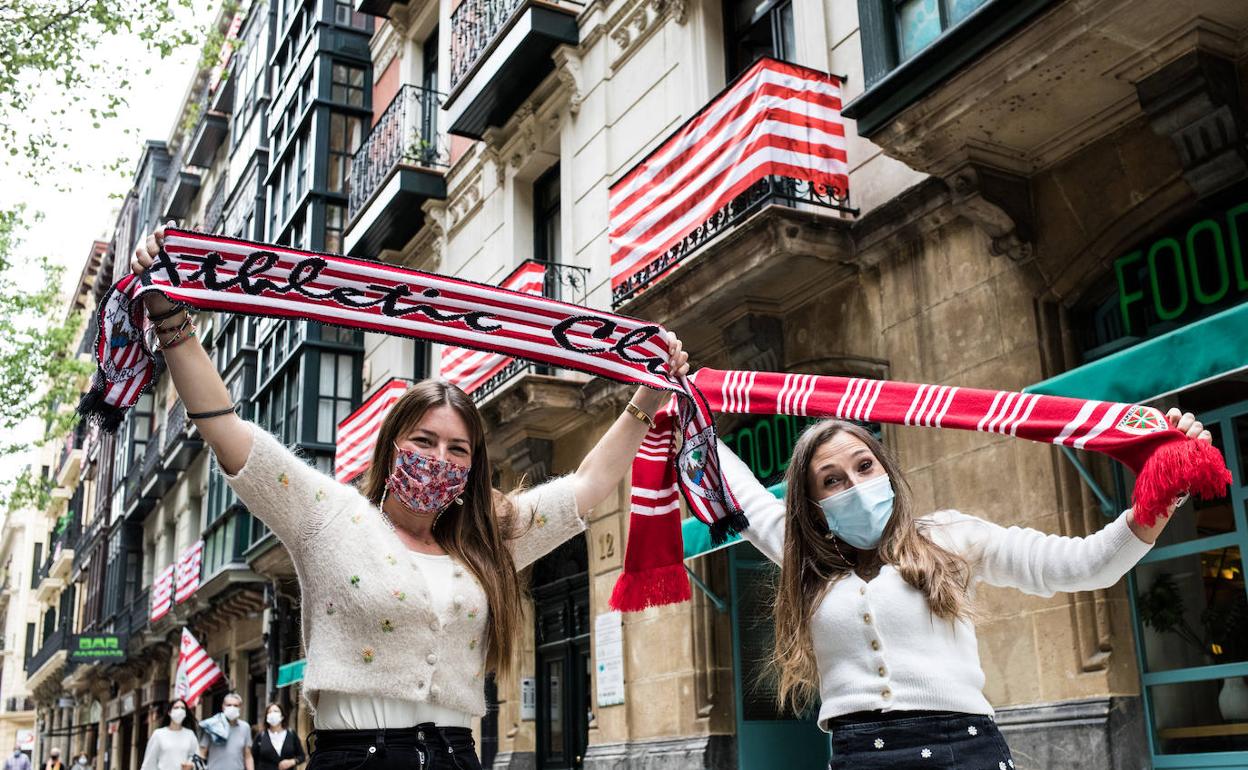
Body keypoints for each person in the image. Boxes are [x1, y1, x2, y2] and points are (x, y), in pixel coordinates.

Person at [131, 225, 689, 770]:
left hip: (456, 755)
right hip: (354, 757)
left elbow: (590, 486)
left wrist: (649, 395)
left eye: (457, 449)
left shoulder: (487, 540)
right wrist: (168, 317)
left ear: (473, 467)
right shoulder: (329, 516)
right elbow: (225, 428)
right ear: (393, 444)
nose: (439, 459)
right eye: (423, 441)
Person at [719, 411, 1210, 768]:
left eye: (864, 466)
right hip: (860, 756)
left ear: (886, 470)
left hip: (964, 749)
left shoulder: (952, 537)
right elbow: (737, 490)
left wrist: (1156, 505)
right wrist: (669, 397)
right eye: (832, 480)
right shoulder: (804, 563)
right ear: (813, 503)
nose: (855, 484)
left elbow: (1081, 566)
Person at [139, 699, 200, 770]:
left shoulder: (190, 735)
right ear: (169, 712)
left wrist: (191, 765)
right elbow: (149, 763)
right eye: (176, 707)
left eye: (183, 708)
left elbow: (196, 757)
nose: (180, 710)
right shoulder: (159, 734)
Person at [197, 694, 252, 770]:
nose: (232, 708)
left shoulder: (245, 727)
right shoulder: (212, 726)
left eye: (235, 705)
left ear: (240, 708)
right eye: (229, 705)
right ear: (223, 707)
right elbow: (202, 753)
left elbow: (248, 755)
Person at [251, 703, 303, 770]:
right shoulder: (261, 736)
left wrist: (292, 761)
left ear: (282, 716)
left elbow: (302, 756)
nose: (273, 714)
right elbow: (252, 758)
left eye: (276, 711)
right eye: (269, 712)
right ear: (266, 717)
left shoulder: (291, 734)